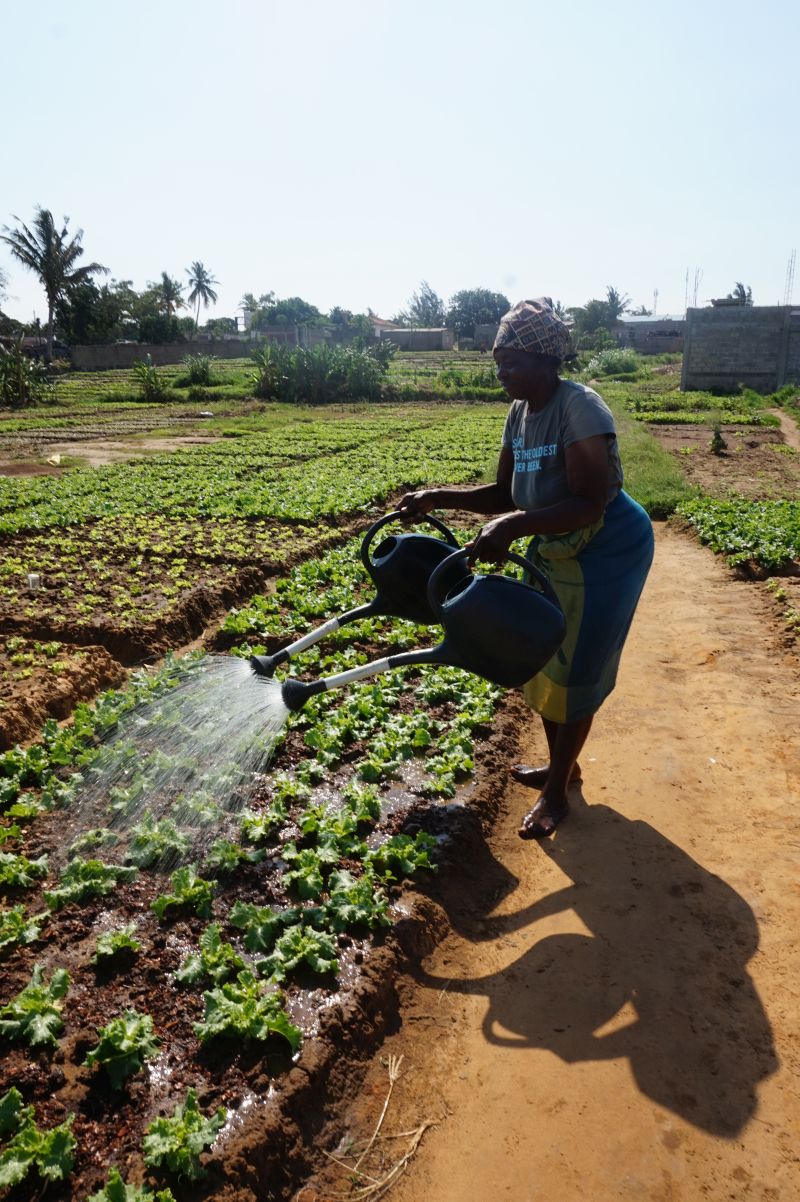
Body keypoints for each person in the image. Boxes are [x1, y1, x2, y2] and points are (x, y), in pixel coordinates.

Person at [398, 297, 654, 839]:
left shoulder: (580, 408)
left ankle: (557, 792)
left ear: (545, 362)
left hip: (606, 548)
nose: (502, 372)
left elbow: (591, 500)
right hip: (551, 545)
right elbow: (504, 493)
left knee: (576, 666)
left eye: (512, 362)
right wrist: (436, 497)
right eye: (499, 361)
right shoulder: (519, 413)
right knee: (540, 656)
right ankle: (565, 764)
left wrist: (513, 528)